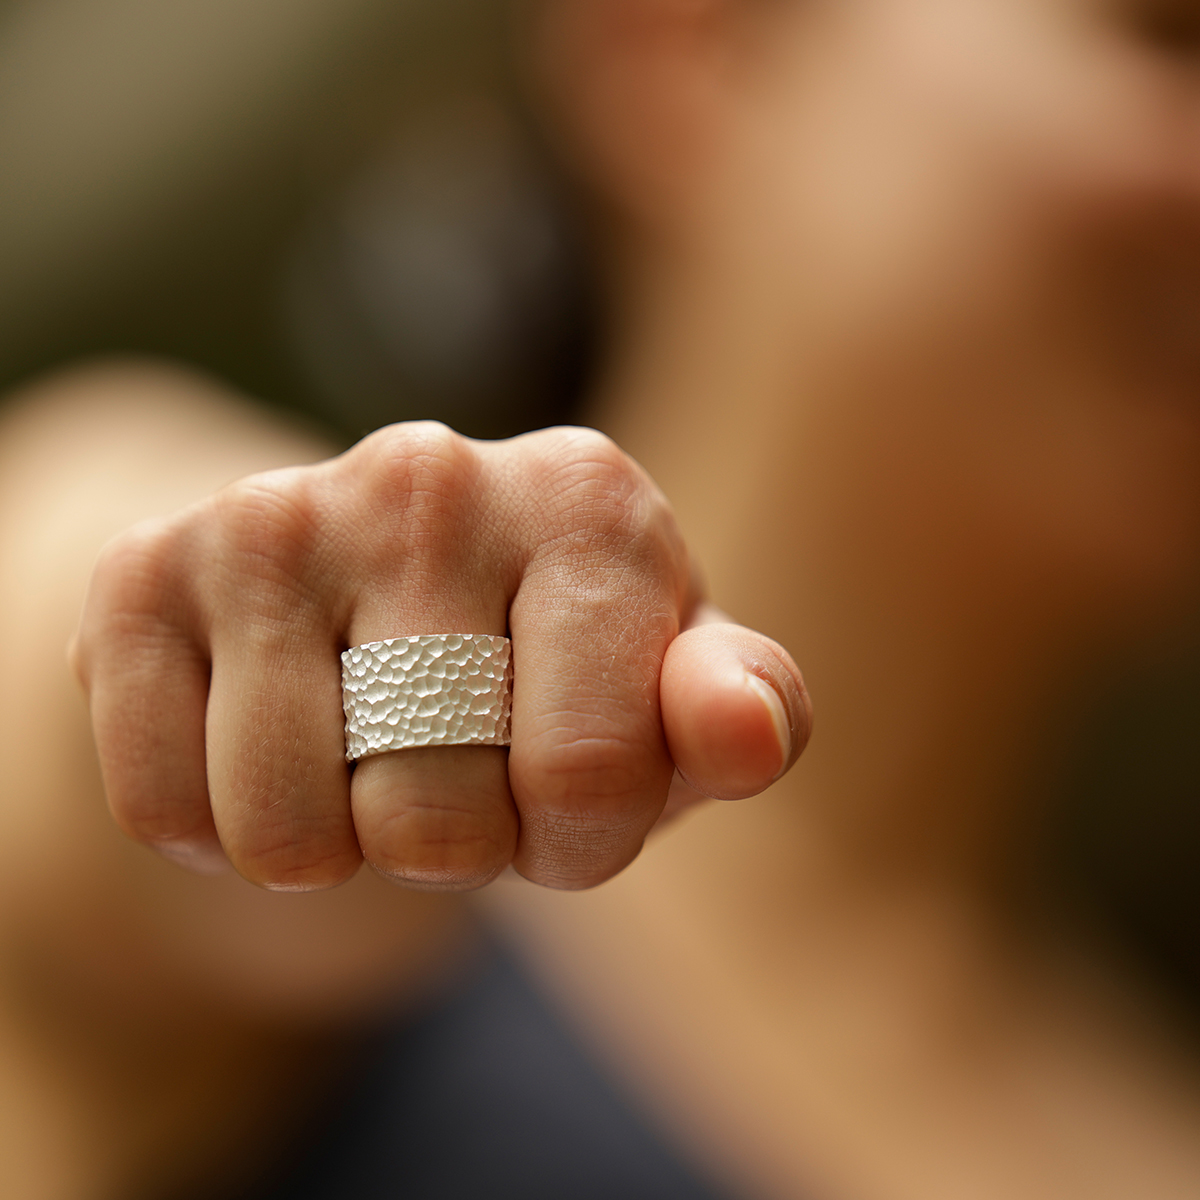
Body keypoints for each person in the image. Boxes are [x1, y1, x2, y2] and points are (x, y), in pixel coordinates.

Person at [3, 0, 1200, 1197]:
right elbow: (109, 667)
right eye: (1173, 37)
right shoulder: (236, 618)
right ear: (691, 48)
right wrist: (241, 634)